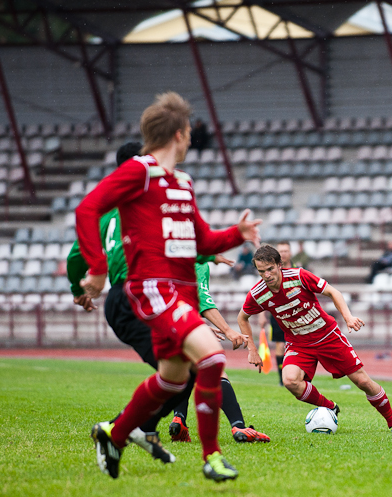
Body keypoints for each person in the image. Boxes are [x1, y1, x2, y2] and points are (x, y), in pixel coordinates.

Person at [76, 92, 261, 481]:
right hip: (153, 288)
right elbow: (87, 208)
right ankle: (212, 458)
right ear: (179, 134)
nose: (192, 137)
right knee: (211, 360)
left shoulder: (183, 182)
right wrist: (95, 269)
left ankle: (114, 433)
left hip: (183, 291)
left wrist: (236, 234)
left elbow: (202, 242)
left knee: (172, 380)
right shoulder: (139, 170)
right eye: (189, 130)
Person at [237, 245, 392, 433]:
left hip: (327, 335)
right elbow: (242, 318)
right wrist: (252, 349)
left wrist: (348, 317)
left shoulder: (299, 276)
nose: (267, 275)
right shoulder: (258, 293)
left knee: (363, 382)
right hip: (299, 343)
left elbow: (334, 292)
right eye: (261, 271)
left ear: (279, 265)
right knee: (290, 381)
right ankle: (331, 407)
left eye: (270, 269)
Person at [169, 257, 270, 443]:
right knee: (215, 369)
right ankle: (239, 426)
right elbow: (203, 300)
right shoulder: (198, 264)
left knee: (184, 370)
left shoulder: (168, 255)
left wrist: (198, 326)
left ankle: (179, 418)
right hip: (178, 320)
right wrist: (228, 331)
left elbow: (177, 298)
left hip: (162, 320)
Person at [257, 241, 294, 386]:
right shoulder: (269, 272)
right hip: (277, 314)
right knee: (280, 344)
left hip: (296, 313)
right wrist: (261, 314)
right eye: (281, 251)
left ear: (290, 252)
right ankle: (282, 379)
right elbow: (263, 294)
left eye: (286, 251)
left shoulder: (298, 269)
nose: (283, 253)